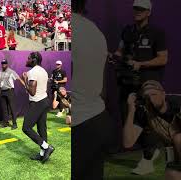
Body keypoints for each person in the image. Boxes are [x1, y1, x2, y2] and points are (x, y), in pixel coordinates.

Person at [112, 0, 168, 174]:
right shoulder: (127, 31)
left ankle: (148, 159)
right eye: (136, 8)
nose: (138, 11)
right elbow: (120, 51)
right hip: (126, 83)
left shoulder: (157, 33)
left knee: (145, 121)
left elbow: (163, 58)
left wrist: (140, 64)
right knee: (126, 118)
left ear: (149, 12)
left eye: (142, 9)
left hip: (147, 84)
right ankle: (151, 152)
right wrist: (115, 57)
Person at [72, 0, 117, 179]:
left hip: (81, 124)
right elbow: (103, 88)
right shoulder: (96, 31)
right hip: (97, 118)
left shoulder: (72, 29)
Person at [123, 80, 181, 180]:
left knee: (178, 138)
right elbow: (128, 143)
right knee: (171, 174)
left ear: (163, 94)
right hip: (173, 151)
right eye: (147, 96)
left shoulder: (177, 102)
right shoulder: (144, 112)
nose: (151, 99)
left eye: (154, 94)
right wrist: (131, 110)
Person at [22, 51, 54, 164]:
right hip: (45, 101)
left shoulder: (32, 72)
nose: (27, 60)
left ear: (33, 60)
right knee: (41, 128)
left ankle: (46, 147)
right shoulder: (43, 71)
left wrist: (25, 80)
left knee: (26, 127)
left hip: (37, 102)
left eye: (28, 58)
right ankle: (42, 154)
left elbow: (32, 92)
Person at [0, 59, 25, 129]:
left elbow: (19, 79)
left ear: (7, 64)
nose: (3, 65)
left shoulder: (11, 71)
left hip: (10, 91)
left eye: (5, 63)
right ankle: (5, 123)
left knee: (12, 108)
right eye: (2, 63)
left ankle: (14, 124)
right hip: (3, 91)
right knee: (4, 108)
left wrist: (26, 86)